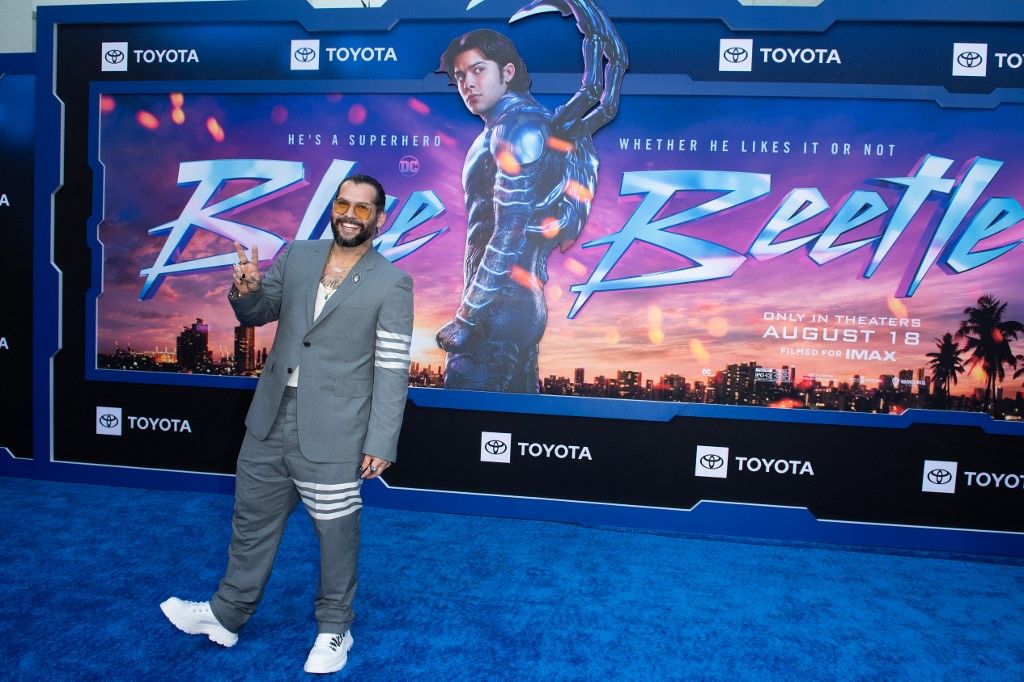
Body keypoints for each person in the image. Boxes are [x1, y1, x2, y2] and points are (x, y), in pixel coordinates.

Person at [160, 174, 414, 675]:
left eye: (363, 208)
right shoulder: (297, 255)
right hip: (271, 417)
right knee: (250, 523)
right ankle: (226, 615)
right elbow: (256, 313)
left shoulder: (392, 282)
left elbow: (391, 368)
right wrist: (246, 287)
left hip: (337, 429)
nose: (349, 213)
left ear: (379, 219)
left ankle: (334, 628)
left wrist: (382, 439)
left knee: (335, 534)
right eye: (343, 203)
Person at [435, 4, 624, 392]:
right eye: (459, 76)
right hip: (521, 309)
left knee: (463, 432)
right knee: (516, 426)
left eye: (477, 69)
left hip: (494, 314)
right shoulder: (534, 126)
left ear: (508, 73)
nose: (467, 83)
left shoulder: (516, 130)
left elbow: (509, 231)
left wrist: (467, 318)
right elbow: (600, 100)